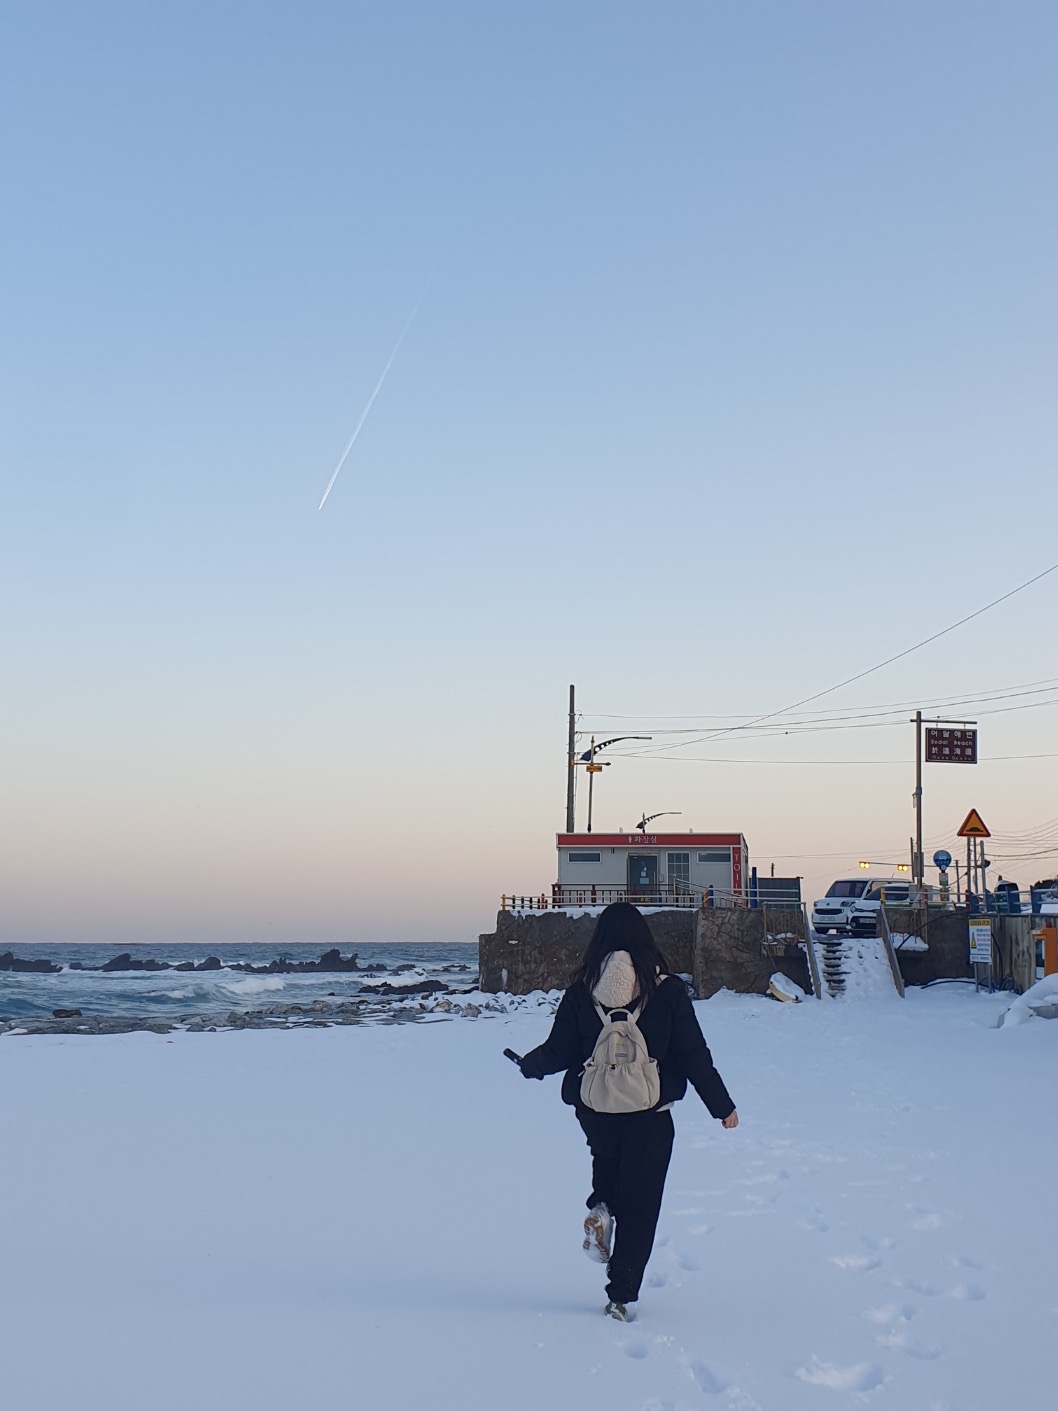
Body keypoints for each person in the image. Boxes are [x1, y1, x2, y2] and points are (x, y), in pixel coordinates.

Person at [517, 901, 738, 1322]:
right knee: (641, 1205)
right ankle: (620, 1296)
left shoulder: (583, 990)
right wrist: (721, 1105)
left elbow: (559, 1050)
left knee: (607, 1162)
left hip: (595, 1108)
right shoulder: (666, 990)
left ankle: (601, 1208)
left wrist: (531, 1066)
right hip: (649, 1114)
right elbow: (693, 1054)